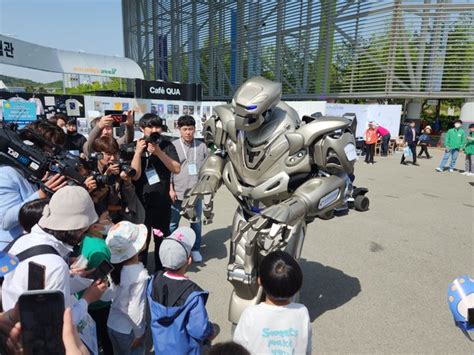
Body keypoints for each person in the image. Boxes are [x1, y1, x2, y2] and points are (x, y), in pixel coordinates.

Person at [1, 186, 108, 353]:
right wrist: (88, 298)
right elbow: (63, 325)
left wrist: (82, 281)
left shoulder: (21, 241)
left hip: (17, 337)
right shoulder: (54, 264)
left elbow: (40, 290)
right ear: (78, 228)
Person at [0, 120, 67, 250]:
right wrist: (41, 194)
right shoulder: (6, 174)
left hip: (38, 246)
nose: (52, 156)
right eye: (50, 151)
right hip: (12, 253)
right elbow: (5, 221)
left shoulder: (37, 173)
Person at [147, 227, 215, 354]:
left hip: (161, 348)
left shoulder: (152, 282)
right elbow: (199, 329)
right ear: (189, 260)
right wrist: (210, 330)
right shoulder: (192, 294)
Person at [233, 250, 311, 355]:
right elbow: (307, 349)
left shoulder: (251, 314)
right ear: (297, 285)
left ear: (260, 281)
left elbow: (237, 349)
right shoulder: (302, 312)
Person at [134, 113, 180, 270]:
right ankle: (141, 272)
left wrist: (159, 152)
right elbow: (134, 176)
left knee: (161, 239)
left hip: (162, 203)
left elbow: (176, 168)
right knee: (142, 241)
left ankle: (160, 272)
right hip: (142, 203)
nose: (154, 130)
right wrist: (138, 152)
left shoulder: (167, 145)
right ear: (142, 128)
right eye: (150, 126)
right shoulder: (136, 145)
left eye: (157, 126)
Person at [75, 206, 114, 355]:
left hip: (84, 298)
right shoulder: (100, 249)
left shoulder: (87, 240)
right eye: (107, 218)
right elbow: (104, 279)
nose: (110, 221)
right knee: (105, 336)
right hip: (99, 303)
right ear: (94, 226)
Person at [106, 221, 149, 355]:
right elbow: (136, 309)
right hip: (128, 330)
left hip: (112, 323)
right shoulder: (140, 275)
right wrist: (139, 333)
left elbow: (106, 296)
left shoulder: (114, 269)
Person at [169, 115, 208, 263]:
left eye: (191, 129)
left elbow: (206, 168)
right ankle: (173, 247)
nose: (188, 132)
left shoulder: (201, 146)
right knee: (173, 224)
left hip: (195, 193)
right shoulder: (173, 146)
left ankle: (196, 248)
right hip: (178, 192)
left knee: (196, 222)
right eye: (185, 129)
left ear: (195, 129)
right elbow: (168, 171)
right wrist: (170, 189)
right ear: (179, 130)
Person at [91, 136, 145, 224]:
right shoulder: (91, 170)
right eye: (108, 154)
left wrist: (127, 182)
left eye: (115, 153)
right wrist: (106, 177)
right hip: (101, 220)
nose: (112, 158)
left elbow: (130, 199)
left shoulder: (120, 168)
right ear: (99, 155)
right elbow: (96, 200)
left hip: (124, 219)